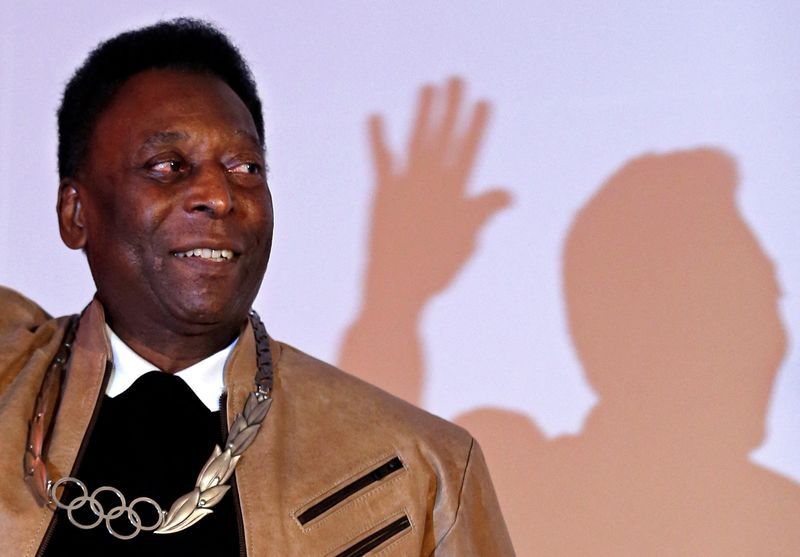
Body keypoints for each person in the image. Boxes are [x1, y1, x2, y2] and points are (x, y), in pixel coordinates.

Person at [0, 19, 513, 556]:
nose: (219, 196)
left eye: (245, 167)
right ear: (76, 212)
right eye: (169, 166)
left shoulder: (421, 474)